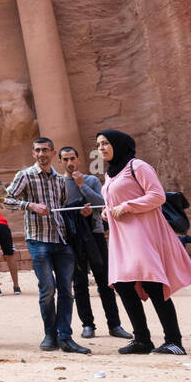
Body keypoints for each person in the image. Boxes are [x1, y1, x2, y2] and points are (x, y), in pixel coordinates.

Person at [97, 129, 191, 355]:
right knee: (122, 284)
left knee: (153, 284)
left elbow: (157, 195)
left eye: (105, 143)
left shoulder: (138, 166)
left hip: (143, 236)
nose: (101, 148)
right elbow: (116, 198)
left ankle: (174, 341)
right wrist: (107, 210)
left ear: (118, 144)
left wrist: (128, 206)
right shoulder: (110, 174)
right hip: (121, 238)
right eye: (99, 144)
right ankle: (142, 339)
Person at [3, 137, 90, 354]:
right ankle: (49, 335)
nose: (42, 154)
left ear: (53, 153)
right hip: (38, 239)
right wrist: (30, 205)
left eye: (45, 150)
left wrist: (80, 211)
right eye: (38, 150)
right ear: (33, 153)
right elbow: (4, 199)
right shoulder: (25, 175)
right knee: (47, 290)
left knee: (66, 291)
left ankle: (65, 337)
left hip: (60, 240)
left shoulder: (60, 180)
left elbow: (61, 207)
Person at [58, 145, 131, 340]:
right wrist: (77, 214)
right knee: (79, 283)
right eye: (65, 160)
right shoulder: (59, 183)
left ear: (79, 159)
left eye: (72, 158)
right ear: (60, 162)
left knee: (105, 281)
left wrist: (82, 185)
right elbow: (59, 212)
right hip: (73, 238)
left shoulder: (90, 180)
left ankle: (114, 325)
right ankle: (88, 325)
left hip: (96, 233)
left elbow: (102, 202)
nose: (69, 163)